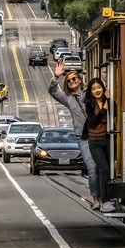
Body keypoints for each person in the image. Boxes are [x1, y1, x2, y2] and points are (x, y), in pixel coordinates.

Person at [47, 59, 99, 209]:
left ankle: (105, 197)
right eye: (69, 81)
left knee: (103, 166)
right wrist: (56, 76)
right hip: (82, 137)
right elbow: (53, 91)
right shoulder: (68, 99)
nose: (71, 82)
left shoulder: (90, 92)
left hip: (98, 133)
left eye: (74, 79)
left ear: (80, 79)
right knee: (92, 166)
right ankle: (96, 198)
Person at [82, 76, 115, 213]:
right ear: (90, 91)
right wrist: (104, 109)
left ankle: (108, 198)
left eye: (99, 87)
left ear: (103, 88)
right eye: (94, 88)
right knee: (104, 169)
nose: (97, 91)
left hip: (107, 139)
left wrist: (108, 99)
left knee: (110, 170)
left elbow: (116, 112)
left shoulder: (108, 101)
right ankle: (105, 201)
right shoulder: (89, 103)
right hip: (94, 141)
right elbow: (93, 121)